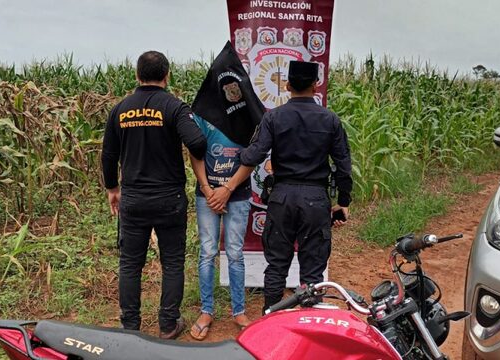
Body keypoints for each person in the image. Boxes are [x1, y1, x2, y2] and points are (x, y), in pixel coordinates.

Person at [101, 51, 207, 339]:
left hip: (133, 199)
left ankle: (130, 325)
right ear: (167, 75)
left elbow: (108, 154)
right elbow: (197, 142)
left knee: (130, 264)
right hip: (168, 199)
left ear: (137, 75)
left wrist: (112, 188)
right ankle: (169, 324)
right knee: (172, 261)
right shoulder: (174, 107)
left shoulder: (120, 109)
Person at [239, 61, 353, 313]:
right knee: (313, 268)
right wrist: (343, 202)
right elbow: (344, 165)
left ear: (287, 85)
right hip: (315, 200)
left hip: (282, 198)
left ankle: (270, 317)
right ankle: (309, 324)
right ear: (316, 85)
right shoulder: (330, 120)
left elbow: (253, 156)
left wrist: (238, 157)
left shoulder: (273, 117)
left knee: (277, 264)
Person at [188, 115, 254, 340]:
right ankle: (206, 311)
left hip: (237, 194)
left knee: (235, 252)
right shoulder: (200, 115)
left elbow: (252, 156)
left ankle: (239, 311)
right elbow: (194, 153)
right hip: (207, 195)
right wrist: (208, 191)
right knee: (207, 251)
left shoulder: (246, 113)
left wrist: (226, 190)